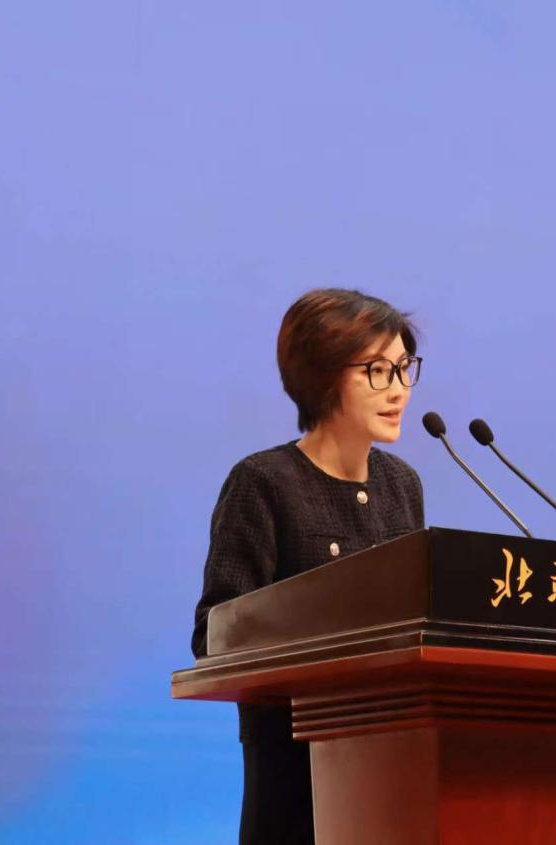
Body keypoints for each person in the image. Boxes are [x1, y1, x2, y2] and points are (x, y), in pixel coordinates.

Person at [191, 288, 425, 844]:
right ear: (322, 377)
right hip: (295, 767)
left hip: (394, 756)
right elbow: (215, 634)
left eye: (403, 369)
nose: (398, 389)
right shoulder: (264, 482)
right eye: (377, 371)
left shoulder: (402, 485)